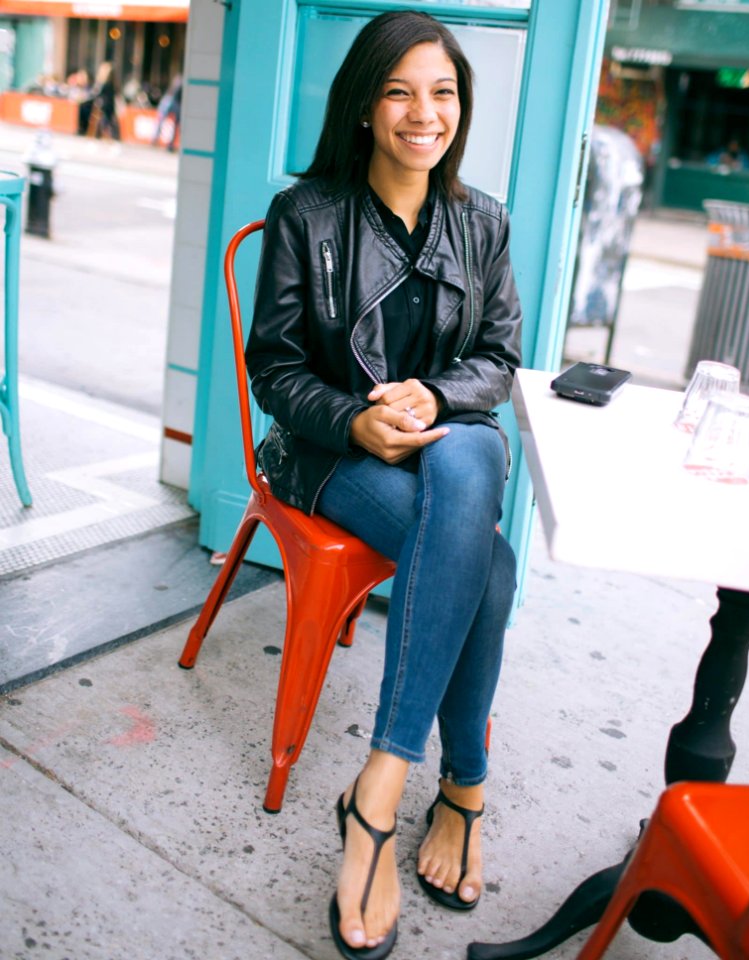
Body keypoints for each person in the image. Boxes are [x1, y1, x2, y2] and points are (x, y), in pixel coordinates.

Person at [245, 11, 522, 959]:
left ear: (461, 107)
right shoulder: (306, 215)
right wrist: (355, 419)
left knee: (466, 451)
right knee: (488, 561)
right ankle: (460, 791)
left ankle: (380, 783)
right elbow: (273, 369)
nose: (423, 112)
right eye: (400, 90)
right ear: (366, 106)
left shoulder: (483, 222)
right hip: (326, 458)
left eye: (442, 91)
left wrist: (434, 397)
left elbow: (499, 359)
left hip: (440, 450)